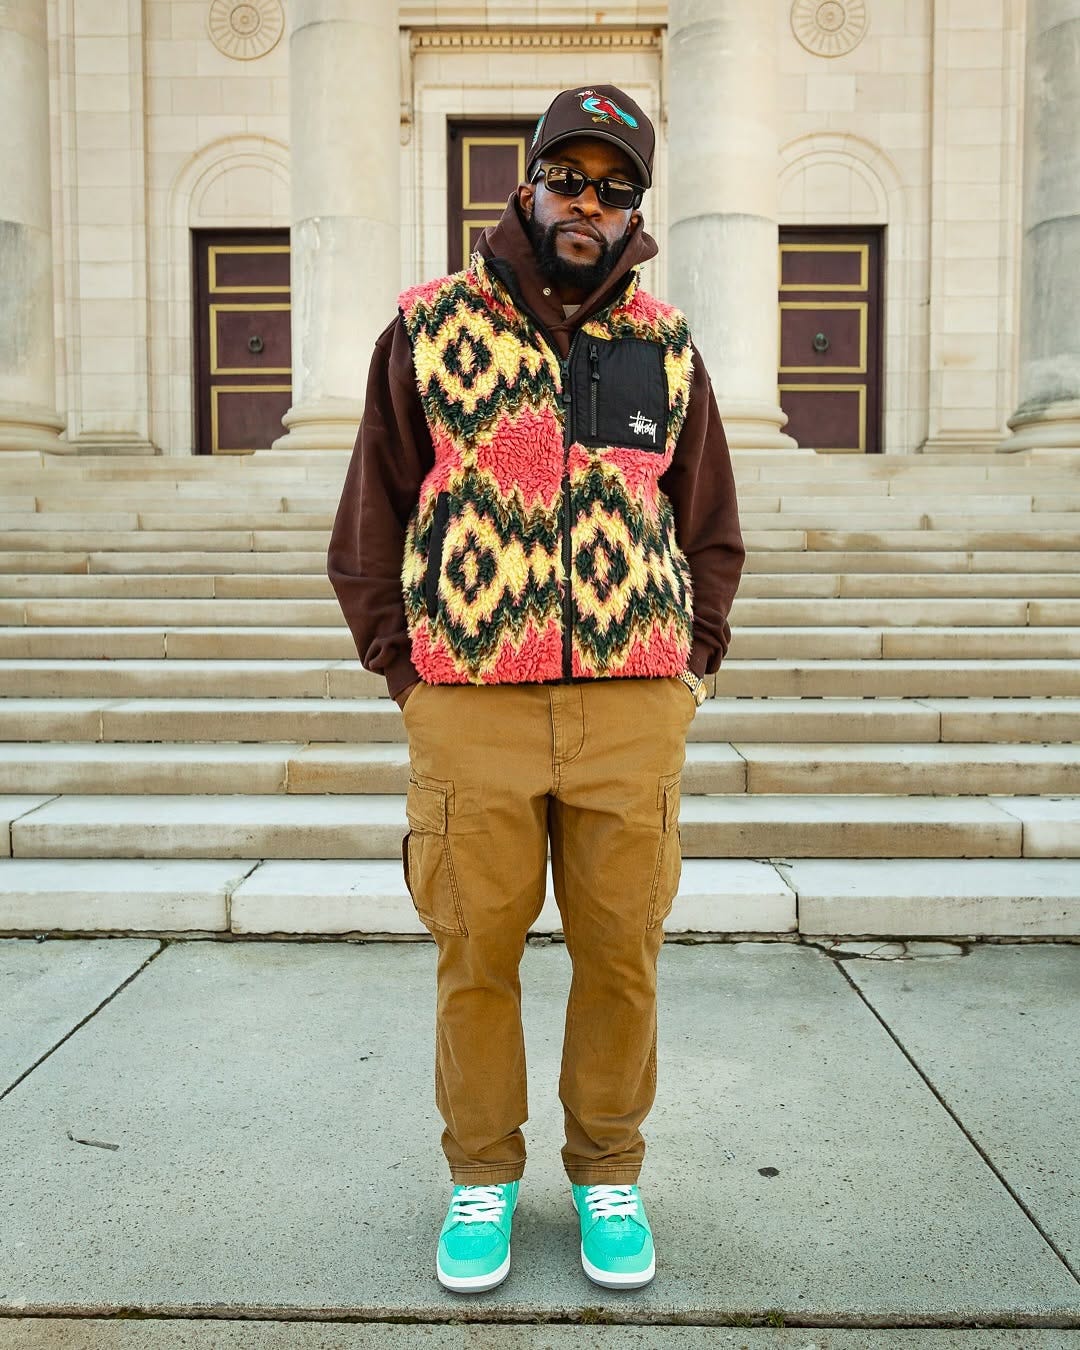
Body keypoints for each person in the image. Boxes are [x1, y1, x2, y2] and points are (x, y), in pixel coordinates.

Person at [328, 84, 745, 1295]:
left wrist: (694, 663)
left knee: (623, 956)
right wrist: (408, 674)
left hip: (631, 707)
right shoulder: (428, 328)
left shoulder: (664, 346)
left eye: (616, 189)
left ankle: (607, 1170)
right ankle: (482, 1179)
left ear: (635, 213)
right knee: (476, 955)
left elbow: (707, 521)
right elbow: (373, 517)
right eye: (570, 177)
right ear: (526, 181)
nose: (589, 203)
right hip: (473, 707)